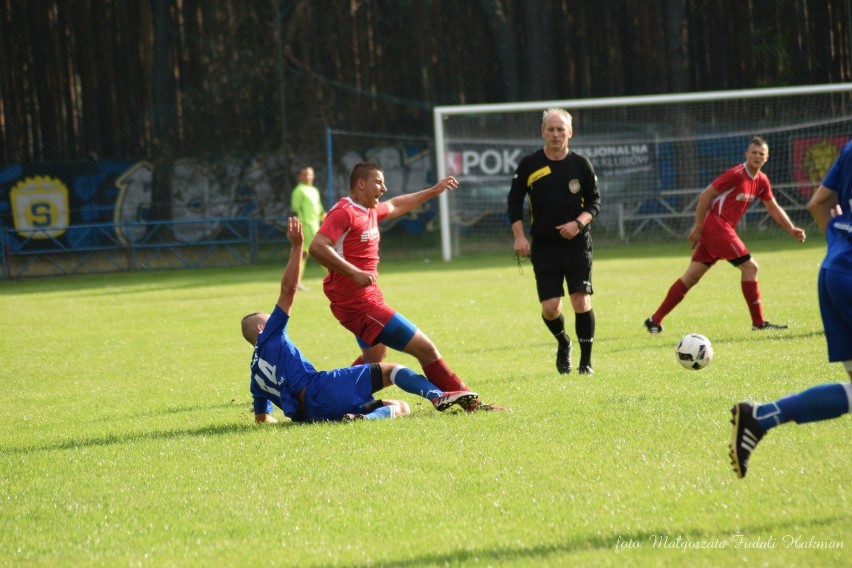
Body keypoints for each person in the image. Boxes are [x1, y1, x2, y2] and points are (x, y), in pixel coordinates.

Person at [308, 161, 503, 412]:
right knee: (425, 348)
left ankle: (328, 398)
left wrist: (433, 190)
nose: (384, 188)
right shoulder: (344, 212)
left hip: (366, 299)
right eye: (379, 182)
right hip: (359, 304)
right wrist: (354, 272)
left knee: (374, 358)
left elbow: (398, 204)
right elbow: (317, 246)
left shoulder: (370, 209)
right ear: (361, 184)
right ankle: (472, 404)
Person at [242, 216, 477, 423]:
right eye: (270, 318)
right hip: (321, 390)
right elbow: (289, 289)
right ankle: (438, 396)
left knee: (400, 407)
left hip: (311, 415)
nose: (275, 320)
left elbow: (263, 419)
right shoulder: (270, 335)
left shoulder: (255, 375)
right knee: (393, 370)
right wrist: (297, 247)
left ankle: (361, 418)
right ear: (263, 327)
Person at [729, 140, 852, 478]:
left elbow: (818, 203)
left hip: (835, 270)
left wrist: (839, 240)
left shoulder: (849, 149)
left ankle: (764, 416)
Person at [644, 136, 806, 334]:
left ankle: (655, 319)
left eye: (761, 154)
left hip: (720, 230)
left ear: (767, 158)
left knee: (692, 276)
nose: (757, 156)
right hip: (717, 227)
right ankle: (758, 323)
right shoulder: (736, 174)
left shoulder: (762, 181)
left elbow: (773, 207)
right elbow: (706, 194)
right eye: (753, 153)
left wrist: (791, 228)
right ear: (746, 154)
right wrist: (698, 226)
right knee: (750, 267)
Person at [508, 108, 601, 376]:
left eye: (561, 129)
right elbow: (514, 201)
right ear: (543, 132)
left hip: (577, 245)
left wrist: (578, 224)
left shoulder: (581, 164)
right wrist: (519, 236)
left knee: (580, 301)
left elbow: (595, 201)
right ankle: (563, 342)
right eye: (551, 129)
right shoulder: (530, 164)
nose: (556, 134)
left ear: (570, 132)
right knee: (550, 309)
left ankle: (586, 364)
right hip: (544, 246)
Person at [289, 166, 325, 289]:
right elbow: (295, 209)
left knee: (302, 255)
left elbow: (319, 208)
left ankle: (295, 282)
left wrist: (323, 216)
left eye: (309, 174)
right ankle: (334, 278)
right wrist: (298, 224)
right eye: (304, 174)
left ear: (313, 176)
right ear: (300, 177)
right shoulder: (299, 190)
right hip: (306, 225)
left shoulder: (314, 190)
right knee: (322, 251)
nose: (307, 176)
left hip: (315, 225)